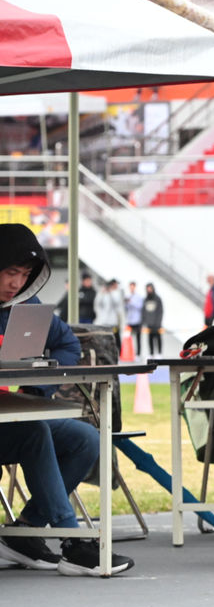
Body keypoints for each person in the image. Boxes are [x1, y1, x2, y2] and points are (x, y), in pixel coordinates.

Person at [0, 224, 135, 575]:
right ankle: (74, 542)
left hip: (13, 417)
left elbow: (68, 345)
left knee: (87, 438)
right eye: (11, 272)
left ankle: (25, 532)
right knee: (34, 432)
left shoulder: (26, 305)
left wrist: (36, 390)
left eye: (25, 275)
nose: (17, 283)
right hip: (15, 427)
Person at [94, 278, 125, 348]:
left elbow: (116, 303)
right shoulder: (102, 293)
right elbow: (97, 304)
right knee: (105, 339)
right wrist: (102, 293)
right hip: (103, 321)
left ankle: (117, 351)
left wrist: (110, 293)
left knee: (115, 339)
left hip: (113, 322)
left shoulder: (117, 293)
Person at [141, 282, 164, 358]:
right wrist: (144, 322)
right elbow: (143, 311)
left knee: (158, 338)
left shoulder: (158, 299)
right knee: (150, 338)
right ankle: (151, 353)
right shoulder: (145, 299)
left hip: (157, 324)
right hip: (149, 324)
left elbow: (160, 311)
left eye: (150, 288)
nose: (149, 290)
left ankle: (159, 353)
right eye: (147, 289)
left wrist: (158, 322)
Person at [124, 281, 144, 357]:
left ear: (135, 287)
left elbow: (140, 307)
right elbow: (126, 308)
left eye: (132, 287)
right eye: (130, 287)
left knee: (138, 338)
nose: (131, 288)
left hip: (137, 320)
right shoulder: (128, 296)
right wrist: (126, 303)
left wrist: (131, 302)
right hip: (129, 320)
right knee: (128, 337)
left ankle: (138, 354)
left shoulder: (139, 297)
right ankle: (129, 353)